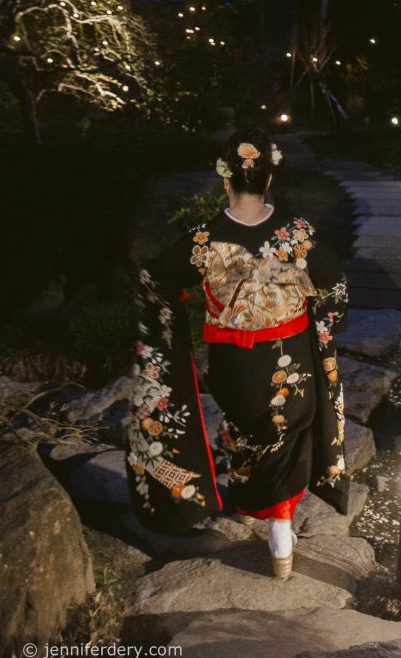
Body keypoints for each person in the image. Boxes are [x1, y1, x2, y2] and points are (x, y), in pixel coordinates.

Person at [125, 129, 349, 578]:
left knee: (244, 430)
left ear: (225, 180)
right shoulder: (296, 233)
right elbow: (336, 290)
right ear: (269, 180)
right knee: (284, 436)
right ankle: (281, 534)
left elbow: (154, 281)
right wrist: (316, 324)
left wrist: (179, 317)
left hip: (230, 366)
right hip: (289, 361)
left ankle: (250, 506)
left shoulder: (203, 239)